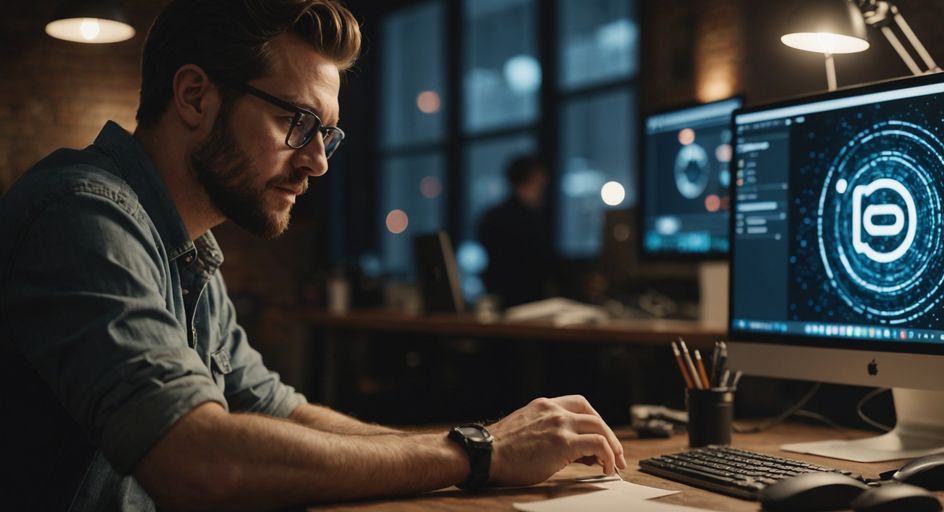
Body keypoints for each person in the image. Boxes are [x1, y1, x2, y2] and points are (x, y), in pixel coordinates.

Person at [0, 1, 625, 510]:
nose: (318, 162)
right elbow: (198, 460)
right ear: (194, 96)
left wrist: (469, 447)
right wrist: (480, 453)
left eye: (327, 133)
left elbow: (283, 413)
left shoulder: (187, 251)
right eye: (297, 122)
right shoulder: (80, 214)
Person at [478, 154, 557, 307]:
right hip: (527, 303)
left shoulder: (492, 216)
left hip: (500, 300)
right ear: (533, 178)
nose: (545, 182)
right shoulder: (530, 220)